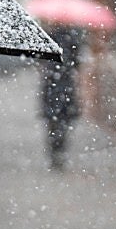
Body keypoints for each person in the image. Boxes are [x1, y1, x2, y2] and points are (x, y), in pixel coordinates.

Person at [39, 25, 82, 170]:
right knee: (62, 120)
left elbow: (40, 60)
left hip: (53, 84)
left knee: (54, 120)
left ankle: (55, 149)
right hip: (64, 84)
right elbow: (78, 64)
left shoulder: (48, 36)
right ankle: (59, 149)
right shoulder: (72, 38)